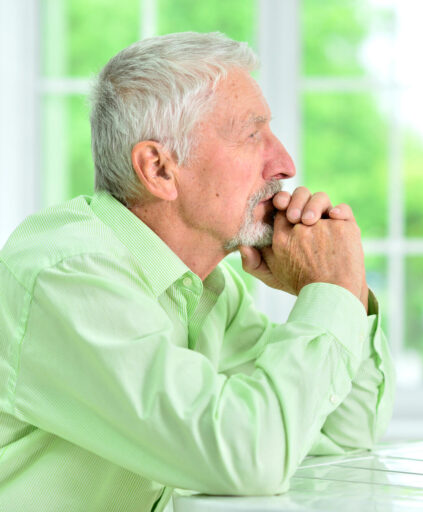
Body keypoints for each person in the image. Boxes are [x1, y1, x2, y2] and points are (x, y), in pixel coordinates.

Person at [0, 32, 394, 511]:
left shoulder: (206, 290)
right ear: (159, 169)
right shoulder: (69, 276)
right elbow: (250, 458)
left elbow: (342, 431)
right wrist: (327, 291)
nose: (285, 164)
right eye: (253, 135)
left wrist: (343, 290)